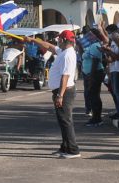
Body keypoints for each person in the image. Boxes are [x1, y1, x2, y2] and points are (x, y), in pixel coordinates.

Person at [27, 29, 80, 159]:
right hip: (61, 90)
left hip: (65, 91)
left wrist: (60, 95)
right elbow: (50, 47)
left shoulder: (68, 54)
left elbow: (65, 76)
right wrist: (33, 40)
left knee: (66, 121)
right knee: (63, 121)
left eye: (59, 39)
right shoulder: (64, 51)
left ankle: (73, 150)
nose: (58, 42)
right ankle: (65, 147)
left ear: (63, 40)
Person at [80, 29, 105, 127]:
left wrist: (91, 76)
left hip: (94, 73)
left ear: (95, 36)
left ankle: (97, 118)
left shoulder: (96, 45)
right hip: (88, 74)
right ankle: (95, 117)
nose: (88, 36)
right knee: (91, 95)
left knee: (94, 96)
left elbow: (95, 61)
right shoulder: (90, 45)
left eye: (90, 34)